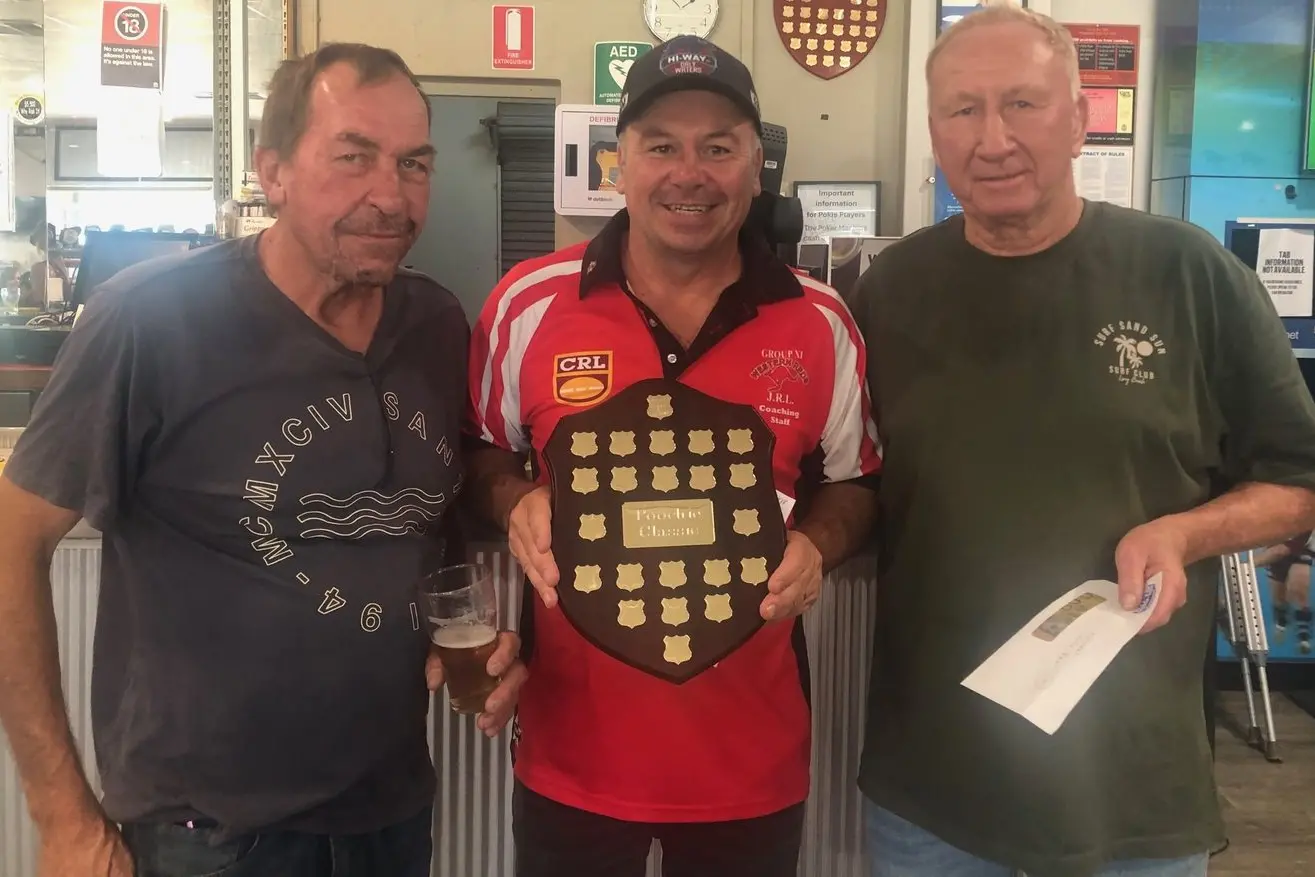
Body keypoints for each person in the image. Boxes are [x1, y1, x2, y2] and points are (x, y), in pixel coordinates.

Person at [0, 42, 527, 877]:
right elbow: (9, 542)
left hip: (390, 811)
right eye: (352, 157)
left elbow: (426, 506)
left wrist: (470, 631)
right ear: (272, 171)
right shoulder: (151, 320)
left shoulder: (434, 323)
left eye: (413, 164)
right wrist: (60, 814)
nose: (389, 196)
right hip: (209, 834)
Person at [849, 8, 1315, 877]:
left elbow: (1298, 479)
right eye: (962, 110)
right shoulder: (889, 291)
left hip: (1129, 783)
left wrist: (1182, 532)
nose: (991, 139)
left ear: (1079, 119)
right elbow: (845, 480)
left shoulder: (1190, 275)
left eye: (1021, 104)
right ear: (933, 130)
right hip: (935, 782)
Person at [464, 35, 881, 877]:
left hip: (750, 767)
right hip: (569, 757)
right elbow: (477, 453)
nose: (688, 173)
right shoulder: (527, 304)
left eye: (717, 148)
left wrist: (819, 547)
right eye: (660, 146)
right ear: (621, 162)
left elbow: (856, 483)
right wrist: (516, 501)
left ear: (754, 167)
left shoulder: (820, 320)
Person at [1256, 531, 1315, 653]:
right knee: (1279, 597)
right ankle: (1281, 620)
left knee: (1299, 590)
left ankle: (1303, 636)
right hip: (1277, 542)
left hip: (1302, 545)